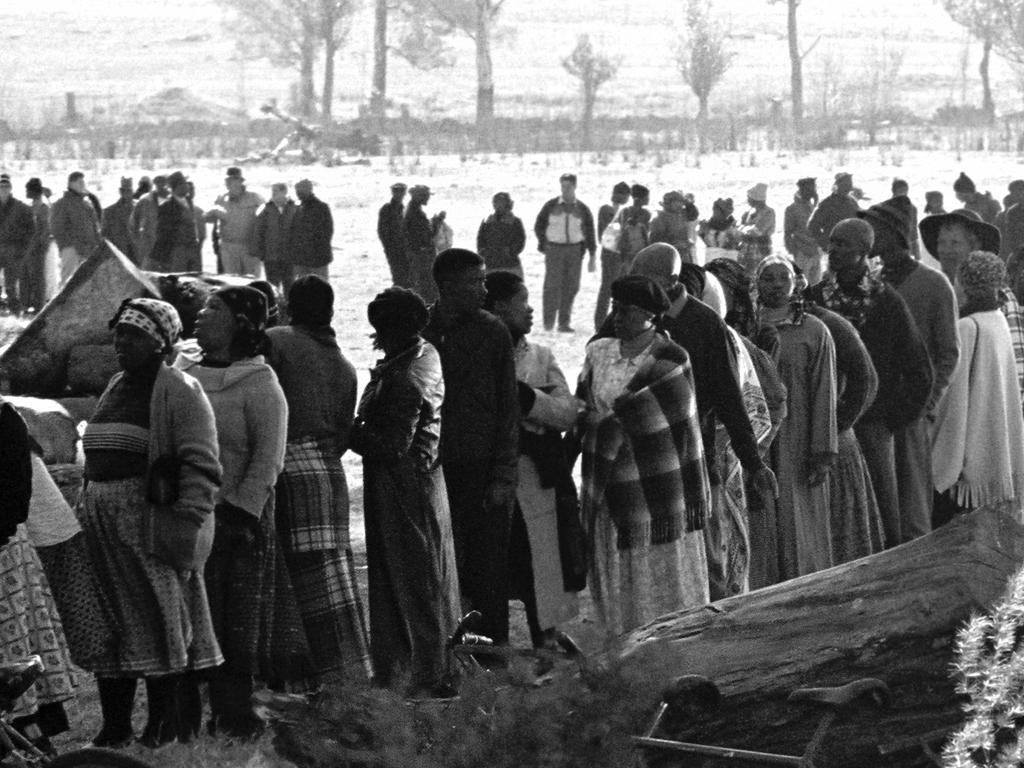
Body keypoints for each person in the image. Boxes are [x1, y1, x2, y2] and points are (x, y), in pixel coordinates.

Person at [79, 298, 222, 748]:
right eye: (120, 332)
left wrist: (187, 524)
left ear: (160, 343)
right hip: (104, 528)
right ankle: (116, 726)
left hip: (149, 527)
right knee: (113, 625)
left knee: (160, 624)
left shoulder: (178, 388)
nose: (122, 342)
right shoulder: (117, 384)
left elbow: (201, 463)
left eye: (134, 335)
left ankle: (163, 727)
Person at [178, 286, 313, 739]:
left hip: (236, 523)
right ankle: (182, 723)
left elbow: (267, 458)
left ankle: (234, 719)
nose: (200, 314)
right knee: (185, 625)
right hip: (184, 517)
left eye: (213, 308)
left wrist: (239, 514)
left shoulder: (259, 383)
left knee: (233, 627)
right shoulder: (182, 371)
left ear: (240, 322)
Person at [616, 242, 778, 598]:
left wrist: (754, 463)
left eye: (646, 280)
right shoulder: (627, 318)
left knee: (708, 564)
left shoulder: (705, 323)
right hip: (641, 465)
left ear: (671, 280)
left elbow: (729, 399)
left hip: (695, 462)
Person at [577, 275, 710, 638]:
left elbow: (663, 417)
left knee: (657, 573)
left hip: (657, 490)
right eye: (614, 308)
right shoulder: (598, 351)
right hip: (609, 484)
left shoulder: (671, 358)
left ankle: (668, 645)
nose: (617, 317)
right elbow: (583, 402)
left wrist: (599, 423)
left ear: (651, 316)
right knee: (616, 571)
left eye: (627, 311)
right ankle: (621, 646)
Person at [350, 287, 460, 697]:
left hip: (404, 489)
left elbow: (392, 445)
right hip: (420, 484)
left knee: (413, 581)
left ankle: (424, 674)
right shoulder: (421, 355)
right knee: (425, 576)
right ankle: (425, 669)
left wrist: (345, 430)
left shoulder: (406, 375)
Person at [265, 276, 372, 683]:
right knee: (331, 583)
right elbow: (344, 433)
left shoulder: (277, 342)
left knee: (290, 586)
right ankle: (345, 676)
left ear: (289, 306)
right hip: (330, 475)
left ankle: (296, 679)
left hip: (288, 471)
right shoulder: (344, 365)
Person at [806, 219, 932, 548]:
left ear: (865, 252)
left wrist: (888, 419)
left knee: (881, 512)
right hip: (825, 423)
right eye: (831, 241)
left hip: (872, 423)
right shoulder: (813, 300)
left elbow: (920, 373)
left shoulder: (886, 302)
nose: (833, 249)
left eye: (843, 244)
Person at [421, 248, 519, 647]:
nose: (483, 289)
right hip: (436, 469)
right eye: (473, 282)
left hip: (483, 471)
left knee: (488, 571)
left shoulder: (493, 331)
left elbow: (508, 410)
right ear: (445, 286)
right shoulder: (422, 329)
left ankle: (493, 660)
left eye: (483, 280)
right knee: (439, 567)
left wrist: (503, 476)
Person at [483, 270, 582, 651]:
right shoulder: (477, 355)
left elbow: (567, 413)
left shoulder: (540, 356)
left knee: (544, 564)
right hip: (494, 478)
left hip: (536, 478)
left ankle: (548, 642)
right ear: (498, 306)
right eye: (522, 302)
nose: (529, 310)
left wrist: (527, 400)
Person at [864, 199, 959, 543]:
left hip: (911, 409)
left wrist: (926, 405)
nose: (870, 235)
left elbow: (948, 353)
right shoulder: (869, 283)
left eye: (877, 228)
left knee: (912, 504)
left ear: (896, 235)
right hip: (873, 410)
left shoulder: (933, 285)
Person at [0, 397, 78, 754]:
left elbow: (15, 497)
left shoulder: (4, 420)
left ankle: (27, 738)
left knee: (11, 650)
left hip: (3, 556)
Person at [755, 256, 838, 584]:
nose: (775, 284)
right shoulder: (745, 326)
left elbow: (824, 392)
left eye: (782, 277)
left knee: (799, 520)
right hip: (758, 439)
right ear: (756, 283)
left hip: (799, 438)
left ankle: (807, 587)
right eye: (767, 278)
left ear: (795, 282)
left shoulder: (814, 330)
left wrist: (823, 450)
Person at [932, 251, 1024, 523]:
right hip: (995, 453)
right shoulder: (997, 319)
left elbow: (954, 400)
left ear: (963, 283)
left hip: (968, 465)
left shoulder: (968, 327)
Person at [921, 210, 1024, 411]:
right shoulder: (934, 288)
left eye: (955, 243)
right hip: (940, 403)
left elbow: (1016, 359)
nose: (945, 250)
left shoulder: (999, 296)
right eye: (942, 242)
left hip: (986, 401)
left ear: (974, 246)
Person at [533, 173, 597, 333]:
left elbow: (589, 231)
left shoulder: (582, 208)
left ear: (575, 187)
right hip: (554, 249)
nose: (565, 189)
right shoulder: (551, 206)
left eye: (568, 186)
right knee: (552, 287)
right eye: (563, 186)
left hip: (575, 250)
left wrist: (592, 254)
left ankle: (564, 322)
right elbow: (539, 225)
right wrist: (544, 243)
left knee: (571, 286)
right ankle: (548, 323)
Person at [206, 167, 264, 277]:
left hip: (249, 248)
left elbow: (265, 221)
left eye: (232, 180)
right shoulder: (221, 198)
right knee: (232, 283)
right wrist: (213, 212)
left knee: (252, 283)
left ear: (240, 181)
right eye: (227, 181)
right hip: (228, 248)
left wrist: (260, 245)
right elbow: (208, 219)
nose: (228, 183)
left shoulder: (254, 198)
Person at [49, 171, 101, 286]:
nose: (83, 184)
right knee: (68, 282)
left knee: (86, 283)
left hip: (88, 249)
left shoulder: (86, 203)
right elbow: (56, 228)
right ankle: (62, 304)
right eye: (79, 182)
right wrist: (70, 245)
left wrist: (96, 243)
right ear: (71, 183)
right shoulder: (62, 203)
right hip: (71, 249)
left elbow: (94, 225)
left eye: (84, 181)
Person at [593, 181, 631, 332]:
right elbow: (608, 234)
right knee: (607, 289)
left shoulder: (621, 212)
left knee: (619, 291)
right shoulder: (608, 210)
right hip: (611, 254)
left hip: (620, 255)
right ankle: (600, 324)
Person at [149, 171, 202, 272]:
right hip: (177, 252)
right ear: (178, 186)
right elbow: (162, 234)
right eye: (184, 183)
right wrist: (161, 258)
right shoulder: (167, 207)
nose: (187, 186)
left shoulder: (188, 201)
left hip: (192, 251)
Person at [254, 183, 298, 299]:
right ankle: (276, 313)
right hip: (271, 257)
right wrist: (260, 253)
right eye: (272, 191)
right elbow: (258, 232)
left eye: (276, 191)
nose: (273, 194)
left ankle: (290, 313)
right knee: (272, 288)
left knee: (290, 287)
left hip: (290, 257)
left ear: (284, 192)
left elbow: (300, 231)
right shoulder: (265, 209)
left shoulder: (294, 208)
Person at [0, 173, 35, 316]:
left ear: (11, 188)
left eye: (6, 186)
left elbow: (31, 229)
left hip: (13, 250)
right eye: (1, 186)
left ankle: (16, 314)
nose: (3, 189)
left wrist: (23, 248)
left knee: (10, 286)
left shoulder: (21, 208)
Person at [807, 172, 860, 252]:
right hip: (836, 249)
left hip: (853, 247)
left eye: (850, 184)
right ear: (838, 185)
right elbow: (813, 226)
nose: (848, 187)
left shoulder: (852, 202)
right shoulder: (827, 203)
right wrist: (825, 244)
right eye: (845, 184)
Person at [291, 179, 333, 281]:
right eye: (297, 191)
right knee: (302, 288)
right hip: (301, 258)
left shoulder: (321, 207)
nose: (298, 194)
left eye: (300, 191)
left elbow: (327, 232)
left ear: (309, 190)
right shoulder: (298, 208)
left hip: (317, 257)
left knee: (321, 287)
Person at [477, 192, 527, 276]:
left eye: (502, 202)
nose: (498, 205)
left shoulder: (515, 222)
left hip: (510, 265)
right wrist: (484, 252)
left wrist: (510, 251)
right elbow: (480, 239)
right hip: (491, 265)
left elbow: (520, 240)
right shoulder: (488, 221)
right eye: (496, 202)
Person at [784, 177, 822, 286]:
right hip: (801, 252)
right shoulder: (792, 209)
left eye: (814, 188)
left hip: (815, 251)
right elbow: (788, 232)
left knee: (816, 285)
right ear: (802, 189)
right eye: (811, 188)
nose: (814, 191)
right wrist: (794, 251)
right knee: (801, 286)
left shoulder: (813, 206)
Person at [22, 178, 52, 314]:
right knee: (25, 279)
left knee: (38, 280)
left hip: (37, 250)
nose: (26, 192)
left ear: (34, 191)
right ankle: (25, 306)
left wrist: (36, 247)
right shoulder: (30, 206)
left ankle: (39, 308)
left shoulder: (43, 208)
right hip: (27, 250)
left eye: (28, 190)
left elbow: (44, 231)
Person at [405, 185, 438, 303]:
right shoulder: (415, 213)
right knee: (426, 285)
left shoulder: (413, 210)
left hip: (418, 253)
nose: (428, 198)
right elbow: (426, 235)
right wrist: (436, 223)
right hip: (421, 254)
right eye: (426, 195)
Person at [650, 190, 699, 265]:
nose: (680, 205)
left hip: (683, 254)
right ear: (669, 203)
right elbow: (656, 241)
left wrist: (688, 203)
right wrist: (674, 245)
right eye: (676, 202)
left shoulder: (682, 215)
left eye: (681, 202)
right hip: (667, 256)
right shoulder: (660, 219)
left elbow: (694, 214)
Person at [129, 175, 168, 269]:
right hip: (148, 249)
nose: (163, 187)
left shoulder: (173, 201)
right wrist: (139, 244)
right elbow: (133, 224)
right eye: (160, 184)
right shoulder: (145, 201)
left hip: (167, 251)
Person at [737, 183, 775, 276]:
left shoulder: (768, 212)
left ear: (755, 199)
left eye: (749, 197)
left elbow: (756, 231)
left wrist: (742, 229)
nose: (748, 199)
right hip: (746, 252)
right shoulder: (748, 212)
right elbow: (739, 227)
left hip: (761, 251)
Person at [377, 182, 408, 287]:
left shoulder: (403, 209)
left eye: (402, 192)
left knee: (405, 276)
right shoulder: (387, 209)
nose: (399, 194)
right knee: (398, 276)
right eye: (397, 191)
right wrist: (389, 246)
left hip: (404, 248)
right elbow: (382, 231)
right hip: (393, 248)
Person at [101, 177, 136, 263]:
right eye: (124, 191)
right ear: (120, 192)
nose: (127, 194)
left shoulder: (140, 209)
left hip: (137, 254)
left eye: (129, 191)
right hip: (119, 255)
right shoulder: (109, 212)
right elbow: (105, 236)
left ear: (132, 192)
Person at [698, 198, 741, 262]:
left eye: (715, 210)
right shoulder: (708, 224)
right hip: (710, 260)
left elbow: (734, 247)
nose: (714, 212)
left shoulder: (732, 228)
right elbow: (704, 241)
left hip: (725, 262)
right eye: (713, 209)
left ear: (723, 213)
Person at [889, 178, 920, 258]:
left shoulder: (912, 208)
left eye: (905, 190)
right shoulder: (885, 207)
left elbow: (914, 233)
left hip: (906, 247)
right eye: (901, 190)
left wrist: (916, 253)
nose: (904, 193)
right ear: (894, 191)